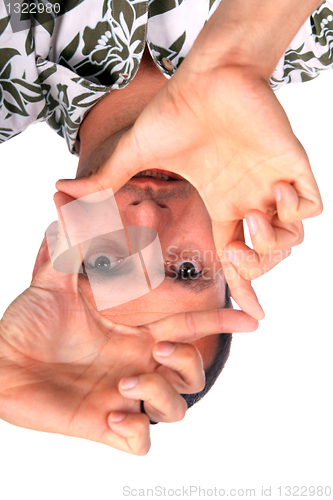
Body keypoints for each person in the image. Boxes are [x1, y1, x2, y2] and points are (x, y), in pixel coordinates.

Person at [0, 0, 328, 453]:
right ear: (234, 248)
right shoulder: (311, 28)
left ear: (53, 249)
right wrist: (236, 57)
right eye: (188, 270)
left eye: (107, 260)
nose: (149, 217)